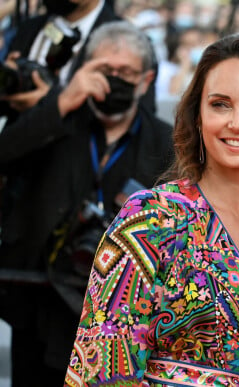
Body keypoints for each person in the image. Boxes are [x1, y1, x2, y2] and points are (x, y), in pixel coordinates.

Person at [65, 33, 239, 386]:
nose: (238, 122)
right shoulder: (151, 221)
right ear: (197, 116)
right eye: (220, 104)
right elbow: (101, 368)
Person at [0, 20, 173, 386]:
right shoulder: (57, 118)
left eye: (125, 72)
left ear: (145, 80)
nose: (113, 79)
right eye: (104, 69)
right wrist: (61, 101)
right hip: (40, 304)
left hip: (120, 321)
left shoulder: (167, 144)